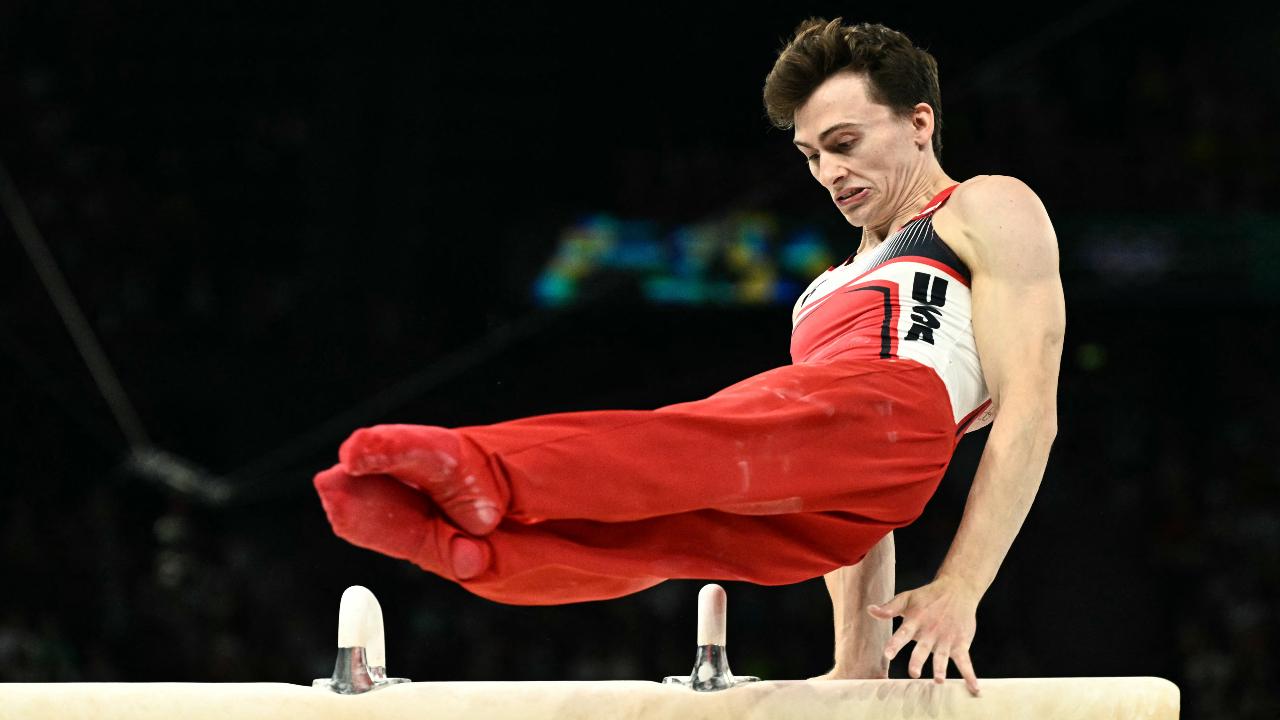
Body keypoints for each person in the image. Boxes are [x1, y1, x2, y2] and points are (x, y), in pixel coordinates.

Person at [313, 18, 1064, 697]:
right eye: (809, 156)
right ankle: (476, 546)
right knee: (670, 531)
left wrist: (960, 586)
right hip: (838, 500)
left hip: (901, 410)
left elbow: (1030, 411)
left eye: (844, 144)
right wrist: (858, 672)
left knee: (686, 443)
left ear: (919, 123)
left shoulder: (983, 207)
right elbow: (834, 480)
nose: (828, 173)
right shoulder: (819, 295)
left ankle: (480, 470)